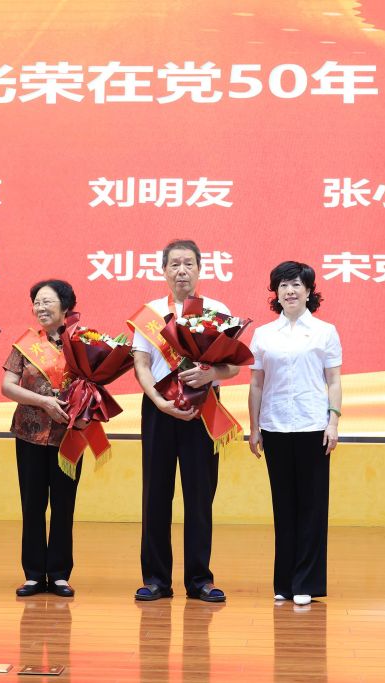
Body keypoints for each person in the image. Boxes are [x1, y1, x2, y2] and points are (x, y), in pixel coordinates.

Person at [128, 239, 240, 603]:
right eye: (174, 264)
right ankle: (156, 580)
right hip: (158, 410)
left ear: (199, 269)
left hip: (203, 409)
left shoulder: (217, 310)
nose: (181, 271)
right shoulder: (150, 313)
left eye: (188, 264)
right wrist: (159, 401)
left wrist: (211, 374)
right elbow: (141, 364)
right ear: (163, 270)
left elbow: (234, 366)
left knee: (199, 497)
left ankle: (200, 580)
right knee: (155, 496)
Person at [247, 260, 342, 606]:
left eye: (297, 285)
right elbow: (256, 384)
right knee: (283, 505)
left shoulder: (324, 332)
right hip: (275, 426)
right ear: (275, 292)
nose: (290, 291)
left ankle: (307, 582)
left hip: (312, 426)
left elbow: (333, 380)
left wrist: (333, 422)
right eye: (283, 285)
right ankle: (285, 582)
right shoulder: (263, 335)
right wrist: (254, 427)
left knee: (312, 507)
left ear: (309, 291)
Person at [1, 279, 82, 598]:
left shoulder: (82, 343)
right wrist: (44, 402)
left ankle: (59, 574)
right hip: (30, 433)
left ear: (66, 307)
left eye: (48, 301)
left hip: (68, 436)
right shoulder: (24, 344)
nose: (41, 307)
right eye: (37, 302)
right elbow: (7, 386)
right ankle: (34, 574)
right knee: (32, 505)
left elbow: (94, 384)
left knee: (64, 506)